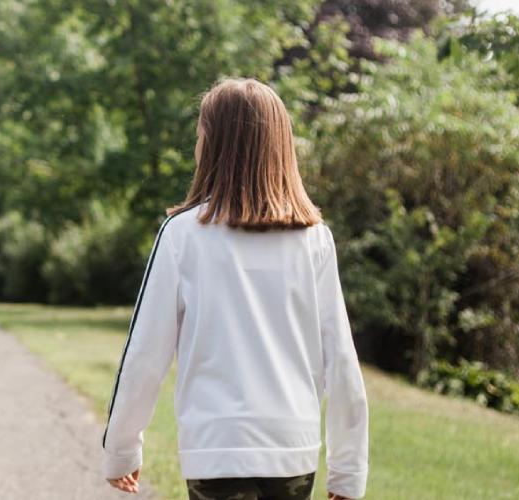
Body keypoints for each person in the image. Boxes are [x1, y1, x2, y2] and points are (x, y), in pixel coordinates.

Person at [100, 78, 370, 500]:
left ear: (214, 146)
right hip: (292, 449)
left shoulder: (182, 235)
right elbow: (340, 359)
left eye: (199, 135)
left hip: (216, 447)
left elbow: (144, 354)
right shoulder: (314, 238)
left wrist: (120, 450)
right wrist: (348, 471)